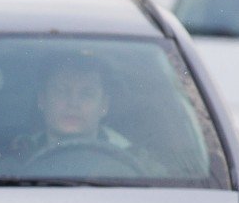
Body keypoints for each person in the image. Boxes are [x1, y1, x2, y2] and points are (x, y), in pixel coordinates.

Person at [10, 54, 144, 167]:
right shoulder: (16, 161)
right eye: (61, 91)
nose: (73, 103)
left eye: (87, 94)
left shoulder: (137, 163)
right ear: (42, 100)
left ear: (104, 105)